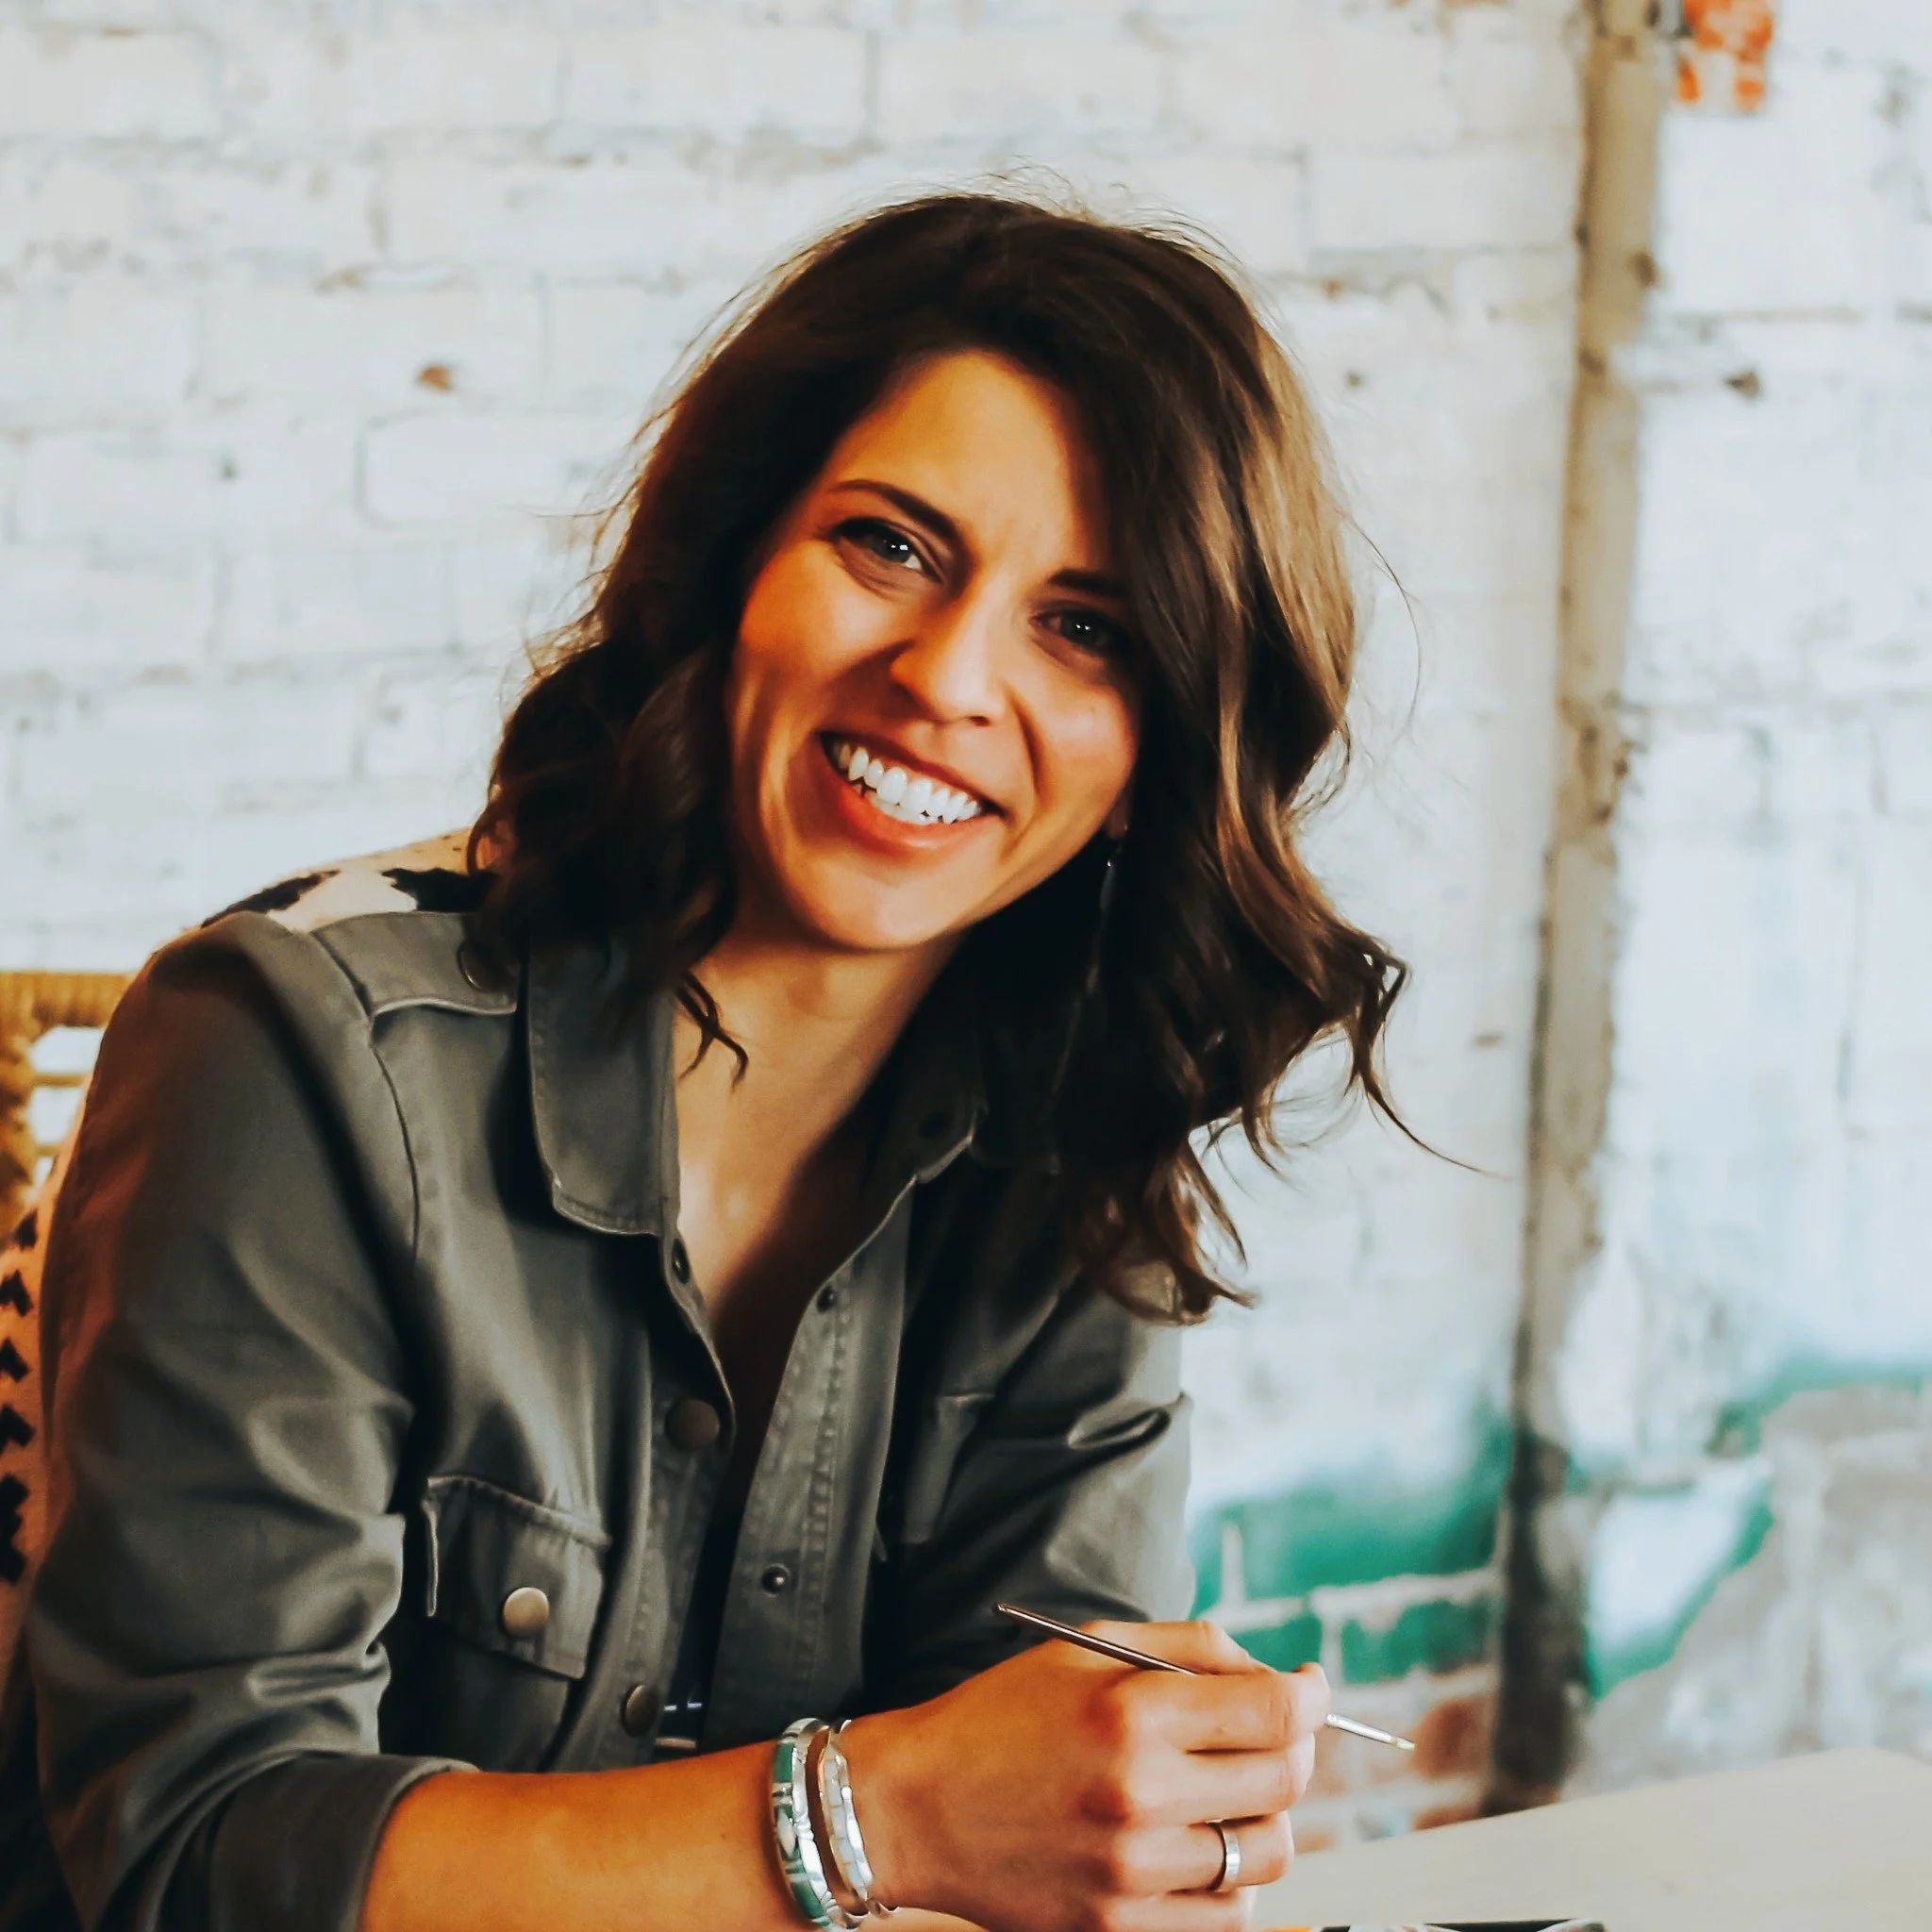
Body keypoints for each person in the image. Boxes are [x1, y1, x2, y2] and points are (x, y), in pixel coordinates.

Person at [0, 191, 1406, 1932]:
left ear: (1164, 745)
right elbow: (194, 1861)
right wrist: (871, 1818)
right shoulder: (290, 1057)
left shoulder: (1078, 1144)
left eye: (1086, 627)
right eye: (891, 545)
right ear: (737, 552)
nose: (948, 675)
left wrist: (1120, 1815)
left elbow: (1035, 1845)